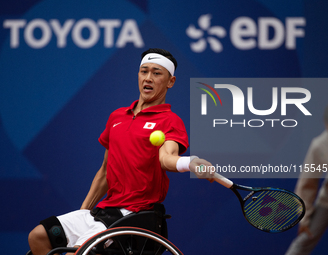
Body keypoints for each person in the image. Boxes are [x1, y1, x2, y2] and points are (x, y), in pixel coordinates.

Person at [27, 48, 214, 255]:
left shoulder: (170, 121)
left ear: (171, 81)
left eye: (157, 73)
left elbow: (167, 158)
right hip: (104, 211)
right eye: (144, 71)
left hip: (134, 215)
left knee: (76, 254)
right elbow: (105, 171)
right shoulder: (117, 117)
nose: (148, 78)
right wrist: (83, 212)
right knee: (38, 236)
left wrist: (190, 163)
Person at [285, 102, 328, 255]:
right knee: (305, 238)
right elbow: (307, 183)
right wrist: (305, 217)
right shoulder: (319, 146)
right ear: (326, 124)